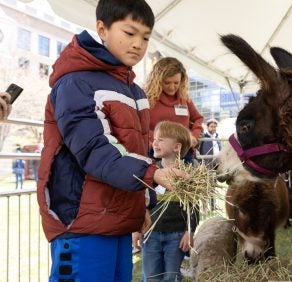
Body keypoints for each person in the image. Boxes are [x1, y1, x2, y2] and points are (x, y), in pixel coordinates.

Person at [36, 1, 185, 281]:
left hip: (118, 219)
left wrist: (140, 203)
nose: (138, 44)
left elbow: (134, 151)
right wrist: (154, 174)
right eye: (129, 33)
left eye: (145, 37)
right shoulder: (76, 83)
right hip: (82, 221)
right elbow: (97, 148)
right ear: (102, 29)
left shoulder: (135, 91)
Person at [140, 120, 199, 282]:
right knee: (151, 276)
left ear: (177, 147)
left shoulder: (188, 174)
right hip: (151, 233)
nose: (155, 143)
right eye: (155, 139)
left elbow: (194, 205)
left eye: (161, 139)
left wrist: (190, 230)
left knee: (171, 277)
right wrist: (136, 228)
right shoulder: (150, 171)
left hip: (177, 235)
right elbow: (140, 200)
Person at [145, 57, 204, 165]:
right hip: (157, 154)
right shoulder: (147, 99)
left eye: (176, 83)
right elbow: (139, 126)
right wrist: (162, 140)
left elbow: (198, 119)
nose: (172, 87)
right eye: (167, 83)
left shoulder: (184, 98)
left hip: (184, 155)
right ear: (157, 80)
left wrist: (193, 136)